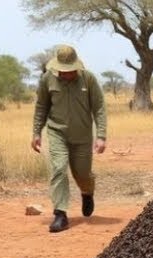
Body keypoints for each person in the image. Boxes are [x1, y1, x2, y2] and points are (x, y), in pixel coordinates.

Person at [32, 45, 107, 233]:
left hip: (82, 136)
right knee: (58, 169)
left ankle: (87, 192)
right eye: (63, 71)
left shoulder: (88, 79)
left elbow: (99, 108)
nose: (67, 75)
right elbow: (41, 107)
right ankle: (60, 214)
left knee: (83, 174)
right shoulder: (47, 79)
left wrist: (101, 136)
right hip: (57, 133)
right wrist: (36, 133)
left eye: (71, 71)